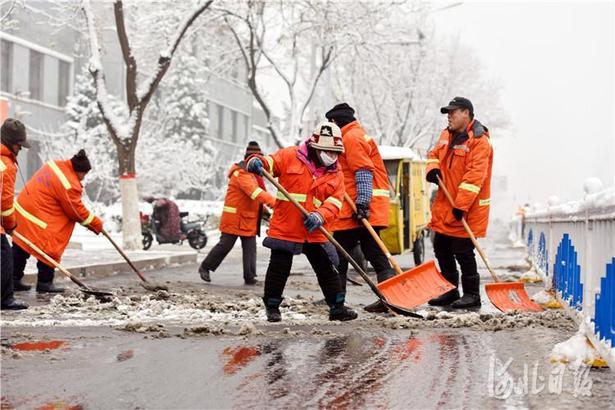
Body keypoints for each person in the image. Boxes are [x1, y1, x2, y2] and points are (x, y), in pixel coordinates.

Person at [246, 122, 357, 322]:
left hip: (315, 230)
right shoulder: (290, 156)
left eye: (335, 152)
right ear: (315, 146)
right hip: (286, 227)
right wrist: (257, 161)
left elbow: (335, 202)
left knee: (327, 269)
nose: (331, 157)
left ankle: (337, 307)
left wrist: (320, 215)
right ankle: (272, 308)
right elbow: (270, 163)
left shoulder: (336, 174)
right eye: (327, 151)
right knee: (279, 269)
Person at [325, 103, 394, 313]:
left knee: (344, 253)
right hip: (358, 207)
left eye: (331, 123)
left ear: (336, 121)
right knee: (370, 252)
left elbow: (363, 171)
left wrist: (363, 202)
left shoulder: (351, 138)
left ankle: (338, 299)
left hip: (359, 208)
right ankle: (387, 297)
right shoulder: (355, 134)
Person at [425, 97, 493, 308]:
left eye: (453, 112)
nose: (449, 116)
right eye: (448, 113)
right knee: (441, 247)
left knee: (463, 251)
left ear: (466, 113)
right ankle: (450, 290)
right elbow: (434, 153)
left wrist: (461, 206)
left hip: (467, 208)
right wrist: (433, 168)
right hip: (446, 204)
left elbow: (474, 177)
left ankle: (472, 294)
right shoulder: (447, 134)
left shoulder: (479, 141)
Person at [12, 149, 104, 293]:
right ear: (78, 170)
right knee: (50, 245)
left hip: (23, 212)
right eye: (84, 174)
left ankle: (13, 280)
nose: (83, 178)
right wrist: (96, 224)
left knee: (21, 246)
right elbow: (75, 211)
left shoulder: (55, 165)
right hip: (38, 219)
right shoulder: (69, 184)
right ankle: (45, 283)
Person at [198, 141, 275, 285]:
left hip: (247, 218)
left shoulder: (251, 175)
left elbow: (253, 198)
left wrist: (264, 212)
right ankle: (205, 267)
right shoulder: (242, 173)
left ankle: (250, 276)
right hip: (234, 219)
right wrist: (276, 203)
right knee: (225, 246)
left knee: (250, 249)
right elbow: (255, 192)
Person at [1, 119, 29, 310]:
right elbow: (5, 204)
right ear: (12, 143)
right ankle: (5, 299)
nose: (20, 149)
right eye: (19, 145)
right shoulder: (6, 165)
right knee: (5, 256)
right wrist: (10, 225)